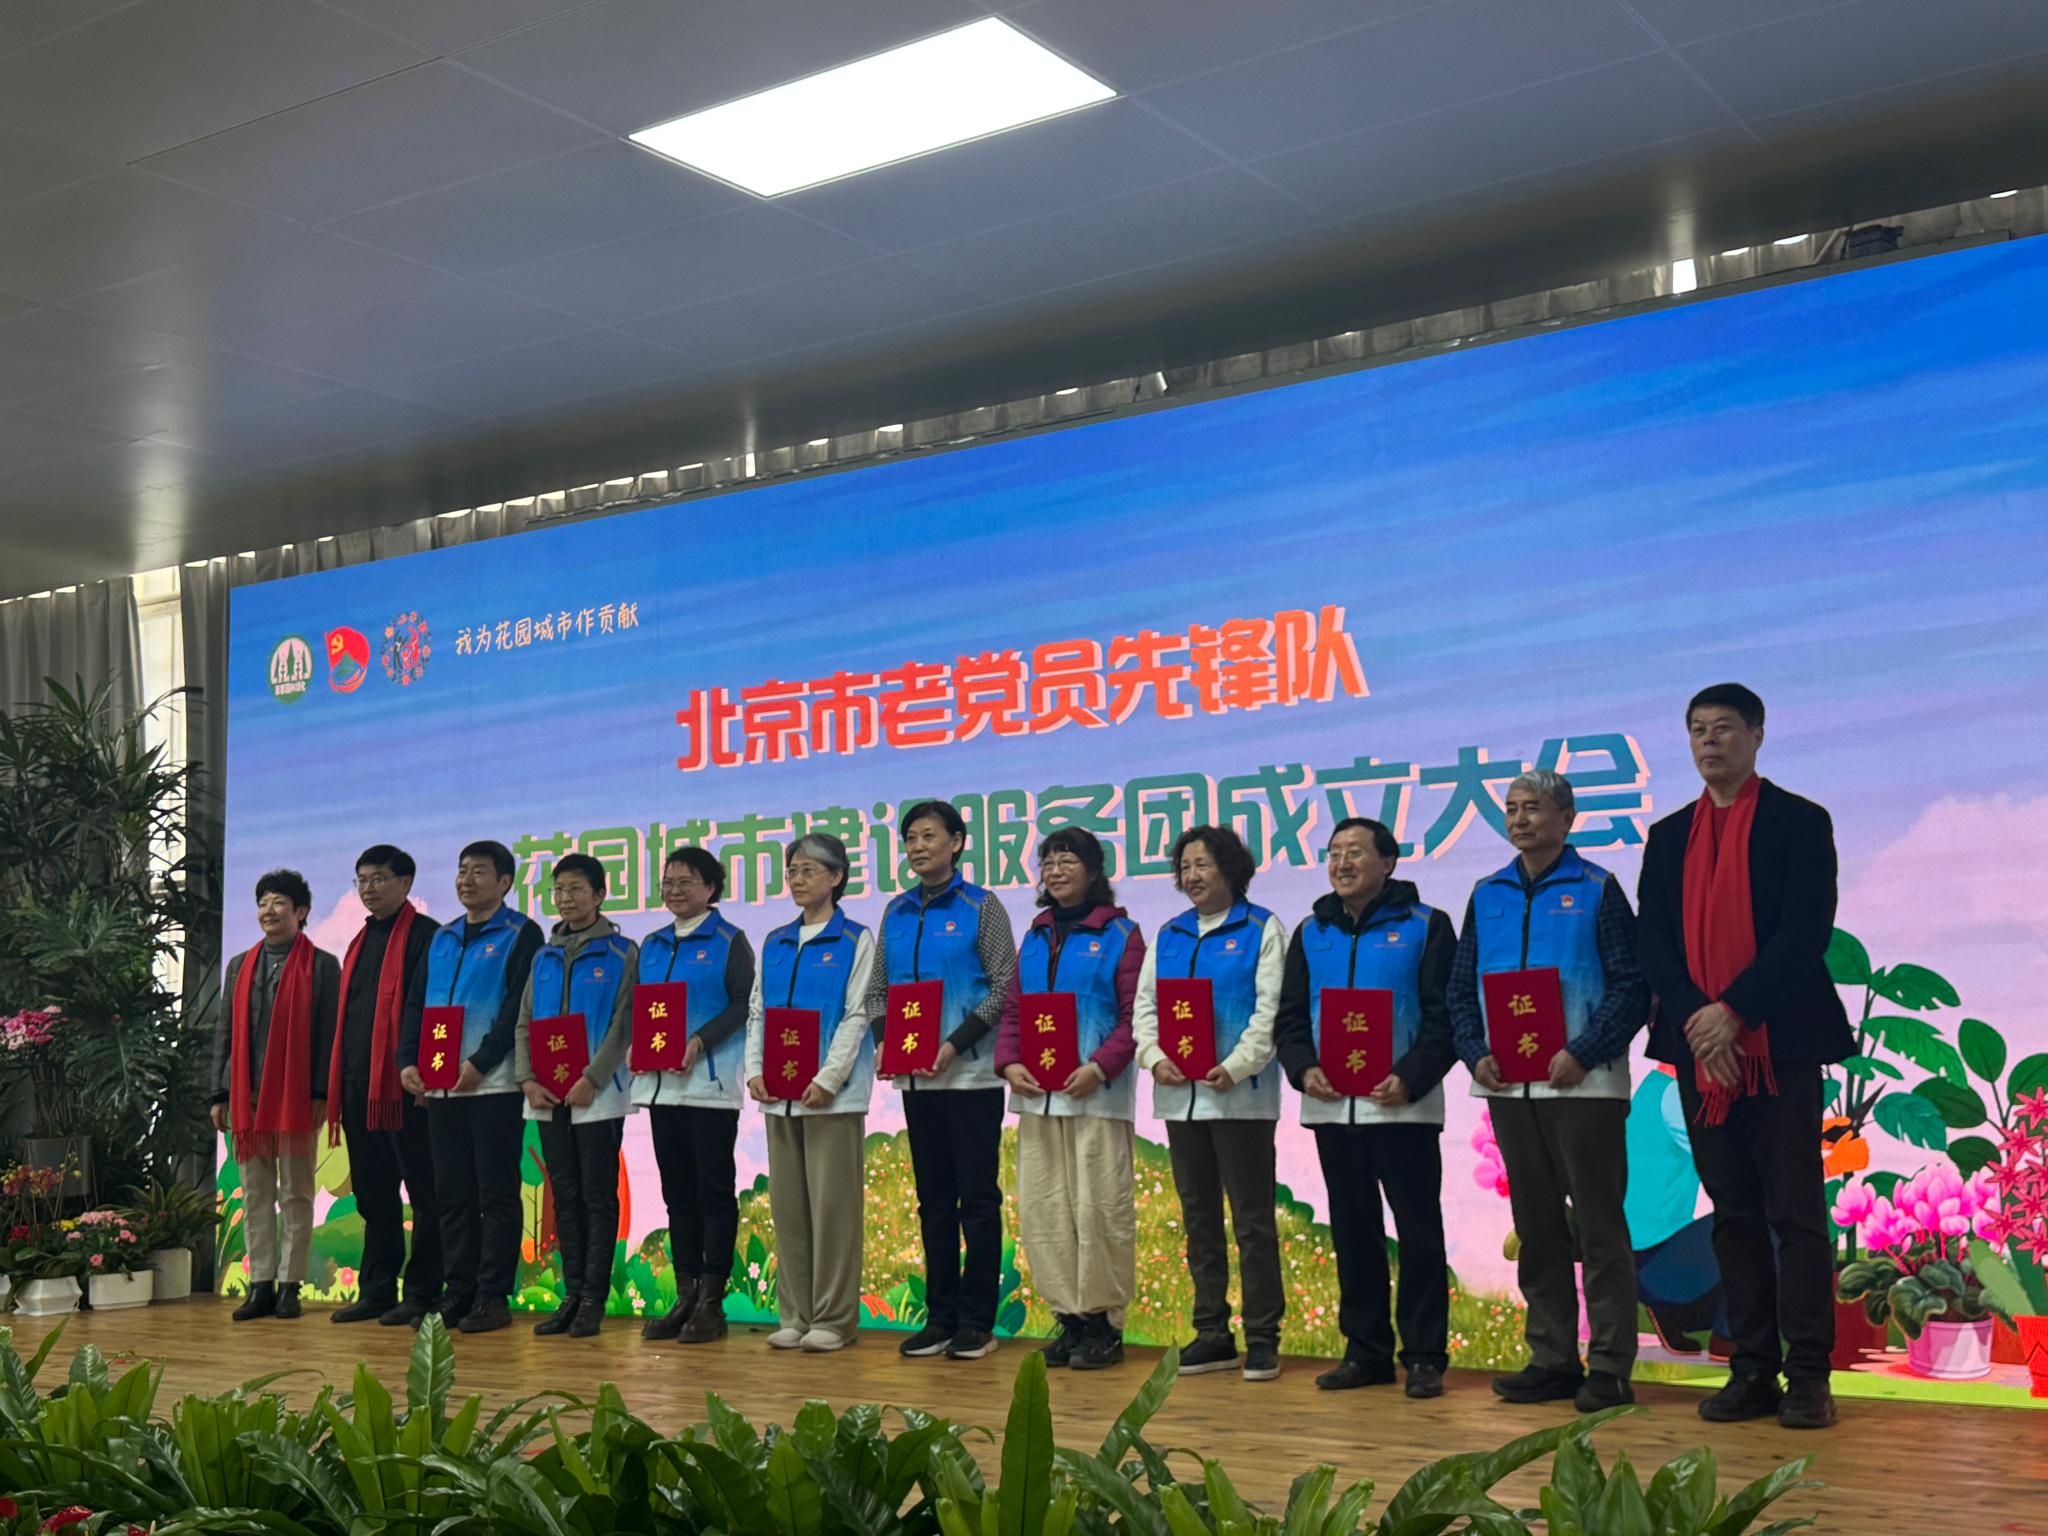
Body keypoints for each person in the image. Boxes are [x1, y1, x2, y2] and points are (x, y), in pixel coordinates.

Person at [1636, 684, 1855, 1431]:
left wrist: (1733, 1013)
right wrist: (1700, 1020)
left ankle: (1809, 1376)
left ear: (1757, 736)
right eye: (1697, 730)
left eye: (1724, 728)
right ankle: (1752, 1369)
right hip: (1699, 1052)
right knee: (1732, 1213)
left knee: (1794, 1213)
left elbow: (1805, 932)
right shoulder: (1669, 836)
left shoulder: (1799, 822)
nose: (1709, 742)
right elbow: (1652, 940)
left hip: (1779, 1045)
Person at [1447, 771, 1649, 1412]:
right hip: (1510, 1090)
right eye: (1511, 808)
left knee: (1598, 1225)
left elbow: (1632, 986)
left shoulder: (1597, 889)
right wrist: (1474, 1052)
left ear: (1567, 817)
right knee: (1535, 1226)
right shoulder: (1487, 894)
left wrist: (1582, 1052)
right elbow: (1460, 989)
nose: (1519, 819)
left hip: (1585, 1086)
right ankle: (1552, 1358)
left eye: (1533, 808)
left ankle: (1610, 1366)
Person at [1275, 817, 1457, 1398]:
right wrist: (1304, 1069)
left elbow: (1445, 1016)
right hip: (1333, 1109)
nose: (1342, 863)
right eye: (1334, 853)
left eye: (1356, 852)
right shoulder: (1311, 932)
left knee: (1418, 1233)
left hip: (1404, 1107)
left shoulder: (1427, 926)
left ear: (1388, 862)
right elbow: (1289, 1017)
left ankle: (1424, 1356)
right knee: (1353, 1232)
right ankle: (1365, 1351)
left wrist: (1411, 1076)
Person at [1132, 824, 1289, 1381]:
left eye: (1203, 864)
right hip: (1181, 1100)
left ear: (1230, 869)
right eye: (1185, 867)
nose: (1192, 876)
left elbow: (1270, 1011)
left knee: (1252, 1222)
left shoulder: (1262, 928)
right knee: (1199, 1219)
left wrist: (1237, 1065)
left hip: (1240, 1099)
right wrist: (1154, 1058)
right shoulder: (1170, 933)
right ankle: (1212, 1333)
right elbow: (1145, 1007)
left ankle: (1263, 1337)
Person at [863, 799, 1018, 1361]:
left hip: (970, 1076)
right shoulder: (897, 910)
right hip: (916, 1080)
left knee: (976, 1199)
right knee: (933, 1201)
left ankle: (977, 1322)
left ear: (956, 842)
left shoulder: (982, 905)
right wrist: (884, 1040)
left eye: (929, 836)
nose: (917, 847)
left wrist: (955, 1043)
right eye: (910, 839)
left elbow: (1004, 986)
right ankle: (940, 1317)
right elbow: (878, 990)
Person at [995, 828, 1144, 1372]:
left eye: (1068, 861)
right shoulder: (1035, 935)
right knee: (1044, 1210)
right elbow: (1015, 1010)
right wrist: (1009, 1063)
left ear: (1093, 870)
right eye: (1048, 862)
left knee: (1100, 1208)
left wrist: (1100, 1066)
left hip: (1096, 1095)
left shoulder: (1121, 934)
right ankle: (1070, 1319)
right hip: (1038, 1098)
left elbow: (1135, 1014)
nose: (1056, 871)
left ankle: (1104, 1324)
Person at [398, 840, 542, 1335]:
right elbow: (416, 1004)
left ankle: (492, 1295)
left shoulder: (521, 933)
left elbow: (517, 1007)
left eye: (479, 871)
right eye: (462, 870)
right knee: (452, 1193)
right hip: (441, 1088)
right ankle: (457, 1289)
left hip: (493, 1086)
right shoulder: (443, 937)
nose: (466, 879)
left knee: (495, 1192)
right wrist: (407, 1062)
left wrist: (482, 1062)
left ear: (505, 882)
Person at [746, 833, 877, 1352]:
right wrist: (755, 1070)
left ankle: (834, 1319)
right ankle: (795, 1314)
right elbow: (758, 1012)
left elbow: (858, 1013)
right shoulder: (775, 941)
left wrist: (828, 1078)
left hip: (831, 1096)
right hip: (779, 1096)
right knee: (789, 1209)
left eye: (808, 870)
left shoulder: (856, 939)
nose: (797, 880)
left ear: (837, 877)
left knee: (832, 1210)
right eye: (792, 871)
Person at [632, 846, 755, 1343]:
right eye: (669, 882)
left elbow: (743, 1005)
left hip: (709, 1087)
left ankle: (712, 1302)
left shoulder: (729, 940)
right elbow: (640, 1007)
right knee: (676, 1195)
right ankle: (685, 1294)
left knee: (713, 1193)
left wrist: (699, 1041)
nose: (675, 890)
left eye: (687, 881)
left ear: (711, 888)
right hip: (661, 1089)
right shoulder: (653, 944)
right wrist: (636, 1046)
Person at [515, 853, 638, 1339]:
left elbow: (623, 1022)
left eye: (576, 889)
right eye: (558, 890)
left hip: (598, 1093)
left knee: (597, 1196)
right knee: (563, 1196)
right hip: (546, 1093)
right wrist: (527, 1078)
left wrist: (592, 1076)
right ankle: (571, 1293)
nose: (565, 898)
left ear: (600, 894)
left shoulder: (622, 952)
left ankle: (593, 1299)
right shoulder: (543, 955)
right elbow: (525, 1021)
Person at [212, 869, 341, 1321]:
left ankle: (290, 1285)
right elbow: (225, 1032)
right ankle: (260, 1284)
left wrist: (321, 1092)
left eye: (279, 902)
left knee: (297, 1193)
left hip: (297, 1099)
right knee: (254, 1192)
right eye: (263, 902)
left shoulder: (323, 966)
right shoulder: (239, 965)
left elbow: (329, 1034)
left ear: (300, 912)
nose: (269, 911)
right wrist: (220, 1093)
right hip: (247, 1098)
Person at [326, 845, 442, 1326]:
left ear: (406, 882)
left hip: (406, 1089)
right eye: (362, 880)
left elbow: (432, 1010)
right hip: (358, 1086)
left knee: (426, 1194)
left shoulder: (428, 936)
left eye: (378, 878)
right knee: (373, 1196)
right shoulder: (359, 940)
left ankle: (423, 1292)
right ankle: (376, 1290)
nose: (369, 889)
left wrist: (421, 1071)